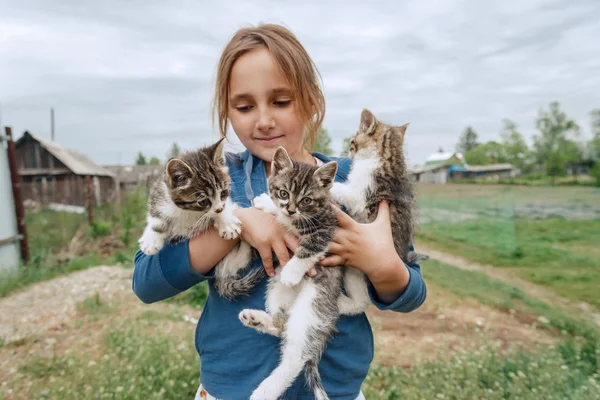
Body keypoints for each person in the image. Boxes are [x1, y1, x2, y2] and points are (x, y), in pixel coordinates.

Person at [132, 23, 427, 400]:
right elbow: (146, 281)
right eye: (244, 106)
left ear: (312, 100)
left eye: (281, 102)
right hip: (230, 390)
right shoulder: (221, 184)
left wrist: (383, 265)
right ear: (227, 112)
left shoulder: (353, 184)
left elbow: (412, 289)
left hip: (335, 391)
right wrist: (239, 223)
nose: (264, 120)